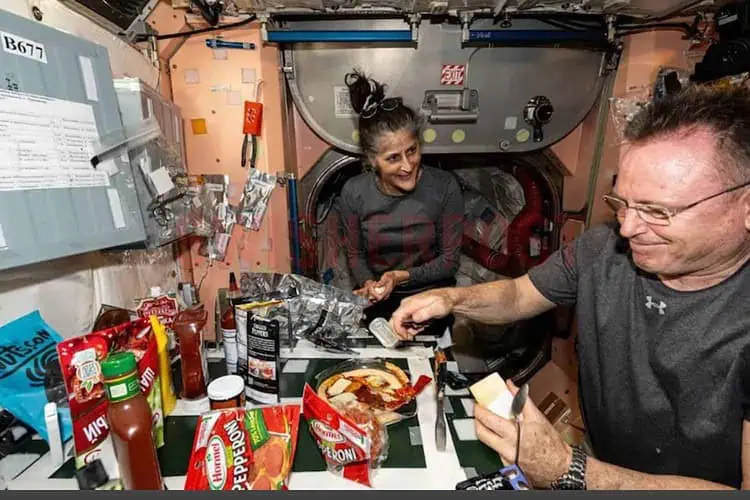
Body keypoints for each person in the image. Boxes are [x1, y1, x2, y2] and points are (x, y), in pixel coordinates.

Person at [389, 84, 750, 490]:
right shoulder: (602, 248)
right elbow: (519, 295)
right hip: (602, 470)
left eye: (658, 211)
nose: (628, 228)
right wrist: (449, 299)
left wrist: (569, 470)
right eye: (623, 204)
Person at [338, 70, 464, 324]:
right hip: (379, 303)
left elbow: (449, 261)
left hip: (433, 302)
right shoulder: (353, 192)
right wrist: (369, 283)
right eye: (393, 158)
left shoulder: (445, 187)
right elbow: (355, 254)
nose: (407, 166)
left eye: (412, 151)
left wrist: (399, 277)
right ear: (373, 160)